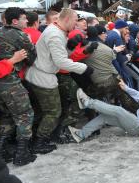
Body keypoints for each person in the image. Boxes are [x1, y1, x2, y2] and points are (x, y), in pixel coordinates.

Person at [25, 8, 92, 154]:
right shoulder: (55, 34)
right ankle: (39, 142)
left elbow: (59, 55)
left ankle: (40, 138)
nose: (76, 25)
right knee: (53, 112)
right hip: (42, 77)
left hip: (44, 74)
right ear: (67, 19)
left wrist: (70, 46)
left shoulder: (57, 31)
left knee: (46, 111)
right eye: (75, 21)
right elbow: (61, 61)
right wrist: (84, 68)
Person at [0, 8, 37, 166]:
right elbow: (31, 58)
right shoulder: (21, 35)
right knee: (25, 114)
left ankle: (1, 151)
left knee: (7, 115)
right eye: (24, 19)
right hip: (8, 82)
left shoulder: (0, 32)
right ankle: (22, 153)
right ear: (15, 21)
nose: (26, 22)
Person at [69, 84, 139, 142]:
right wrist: (126, 88)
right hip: (133, 121)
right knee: (104, 117)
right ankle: (81, 135)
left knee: (118, 110)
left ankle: (88, 102)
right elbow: (137, 94)